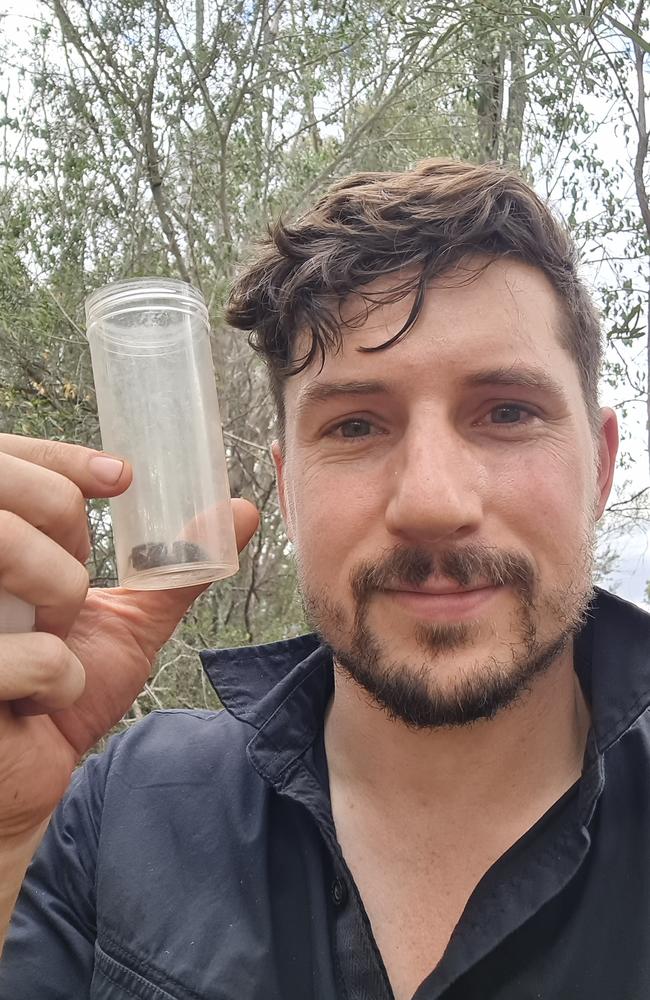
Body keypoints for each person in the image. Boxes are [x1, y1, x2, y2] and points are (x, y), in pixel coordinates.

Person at [0, 157, 645, 1000]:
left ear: (598, 469)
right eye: (355, 425)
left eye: (507, 412)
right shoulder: (119, 809)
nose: (432, 501)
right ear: (290, 491)